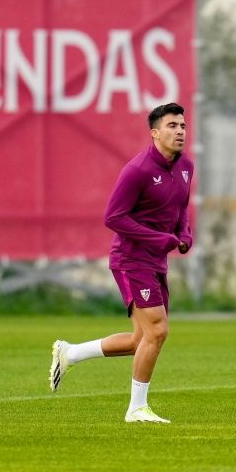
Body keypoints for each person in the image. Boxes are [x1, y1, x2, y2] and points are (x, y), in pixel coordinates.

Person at [49, 102, 193, 424]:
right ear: (155, 133)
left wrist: (184, 233)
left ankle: (70, 353)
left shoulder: (185, 167)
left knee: (141, 340)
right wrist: (161, 239)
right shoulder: (138, 169)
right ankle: (136, 409)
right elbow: (113, 217)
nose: (180, 131)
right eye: (172, 126)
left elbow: (182, 208)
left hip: (156, 261)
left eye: (182, 126)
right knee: (158, 331)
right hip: (131, 260)